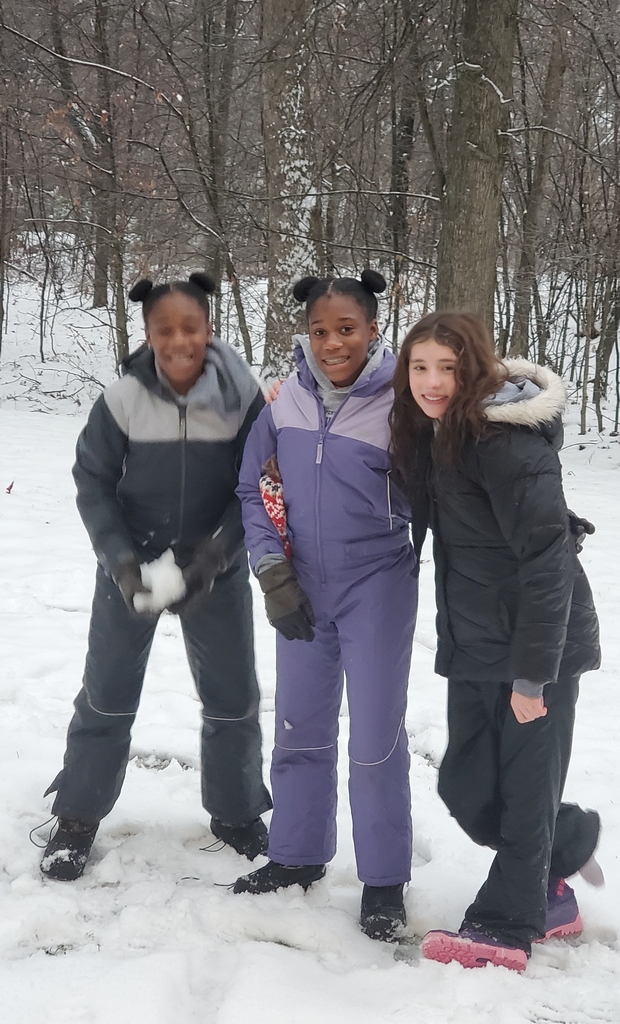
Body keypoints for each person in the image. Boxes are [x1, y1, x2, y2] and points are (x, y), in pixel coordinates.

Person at [40, 272, 272, 881]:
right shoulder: (121, 400)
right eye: (163, 330)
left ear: (209, 328)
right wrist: (121, 563)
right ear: (147, 332)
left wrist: (216, 555)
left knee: (233, 697)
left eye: (189, 328)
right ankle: (77, 817)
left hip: (214, 568)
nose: (177, 341)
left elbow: (257, 485)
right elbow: (92, 479)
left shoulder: (241, 397)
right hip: (132, 567)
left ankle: (238, 810)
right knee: (107, 693)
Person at [388, 311, 601, 972]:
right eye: (419, 367)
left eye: (447, 369)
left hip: (539, 650)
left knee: (523, 792)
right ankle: (560, 850)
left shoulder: (506, 444)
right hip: (476, 643)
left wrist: (534, 677)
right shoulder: (436, 436)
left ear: (474, 369)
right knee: (468, 788)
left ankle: (508, 924)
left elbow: (547, 562)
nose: (431, 381)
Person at [234, 271, 418, 942]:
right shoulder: (282, 402)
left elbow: (458, 478)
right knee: (300, 725)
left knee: (374, 739)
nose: (332, 343)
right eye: (319, 330)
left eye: (347, 329)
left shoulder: (403, 403)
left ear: (373, 329)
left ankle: (384, 881)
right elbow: (252, 485)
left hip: (378, 582)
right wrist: (270, 569)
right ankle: (297, 854)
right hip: (301, 583)